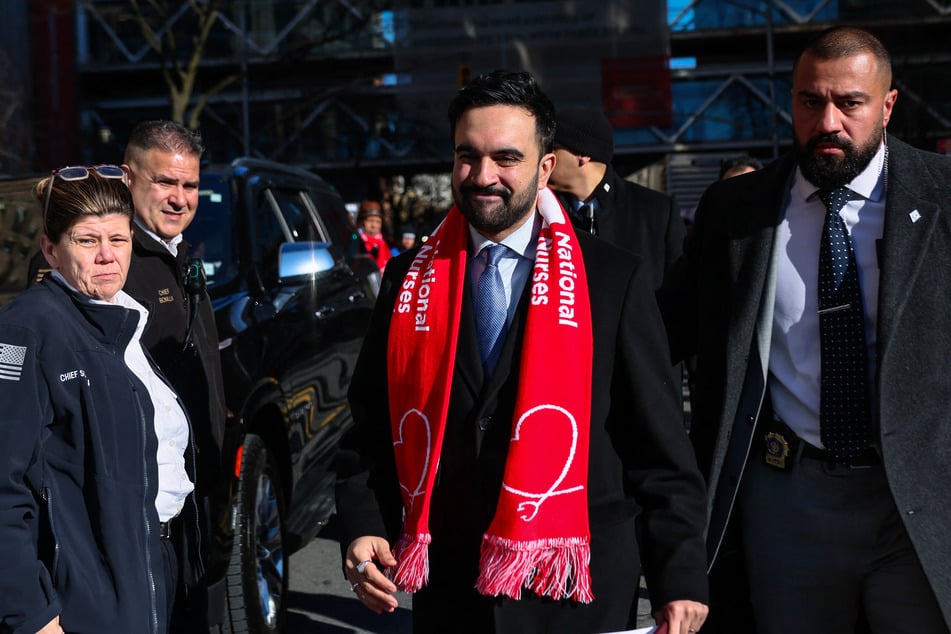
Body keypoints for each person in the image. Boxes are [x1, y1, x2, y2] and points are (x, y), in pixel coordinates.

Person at [335, 69, 709, 634]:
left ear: (545, 167)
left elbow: (657, 446)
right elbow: (371, 424)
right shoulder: (407, 279)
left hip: (574, 592)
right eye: (468, 156)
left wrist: (679, 578)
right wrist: (364, 526)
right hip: (451, 592)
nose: (483, 177)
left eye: (506, 158)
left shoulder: (611, 278)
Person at [662, 25, 951, 632]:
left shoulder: (942, 198)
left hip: (919, 503)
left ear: (888, 105)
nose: (828, 123)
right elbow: (665, 331)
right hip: (788, 506)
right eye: (810, 101)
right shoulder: (736, 212)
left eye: (850, 103)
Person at [0, 167, 201, 633]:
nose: (108, 256)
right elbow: (4, 489)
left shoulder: (121, 318)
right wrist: (32, 616)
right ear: (51, 249)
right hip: (84, 600)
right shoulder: (27, 330)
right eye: (87, 241)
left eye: (120, 238)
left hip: (154, 571)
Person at [121, 120, 226, 630]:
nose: (180, 198)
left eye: (189, 185)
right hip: (143, 510)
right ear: (127, 179)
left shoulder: (178, 248)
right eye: (164, 182)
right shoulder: (107, 259)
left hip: (193, 497)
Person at [547, 106, 684, 289]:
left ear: (582, 154)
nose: (543, 159)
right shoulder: (542, 212)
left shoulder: (657, 212)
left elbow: (682, 291)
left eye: (551, 149)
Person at [356, 199, 392, 271]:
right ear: (361, 222)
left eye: (378, 222)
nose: (374, 225)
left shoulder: (384, 244)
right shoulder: (356, 242)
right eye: (370, 220)